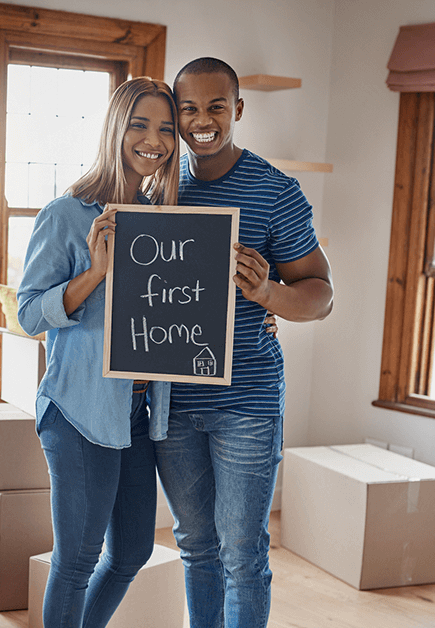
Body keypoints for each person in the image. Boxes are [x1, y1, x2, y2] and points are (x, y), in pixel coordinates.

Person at [153, 57, 335, 627]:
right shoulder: (159, 185)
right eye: (188, 108)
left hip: (247, 403)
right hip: (174, 402)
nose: (201, 120)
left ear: (238, 108)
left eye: (215, 107)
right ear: (175, 115)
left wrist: (268, 294)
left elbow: (322, 294)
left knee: (242, 555)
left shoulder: (274, 191)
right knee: (197, 547)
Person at [16, 77, 178, 628]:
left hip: (136, 412)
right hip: (79, 411)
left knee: (132, 552)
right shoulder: (66, 215)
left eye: (165, 128)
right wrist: (94, 274)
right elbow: (30, 313)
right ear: (116, 128)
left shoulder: (168, 222)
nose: (152, 139)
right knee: (77, 558)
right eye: (139, 124)